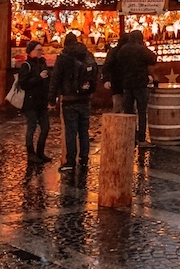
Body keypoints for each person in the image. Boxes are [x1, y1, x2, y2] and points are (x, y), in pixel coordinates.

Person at [49, 32, 98, 172]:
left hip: (70, 99)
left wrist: (52, 100)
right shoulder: (88, 54)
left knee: (71, 131)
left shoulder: (63, 57)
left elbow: (56, 79)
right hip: (86, 98)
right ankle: (84, 159)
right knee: (84, 130)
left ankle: (70, 161)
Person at [103, 30, 157, 147]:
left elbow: (119, 65)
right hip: (140, 84)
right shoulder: (141, 49)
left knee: (128, 112)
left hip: (126, 84)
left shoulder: (122, 50)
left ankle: (129, 136)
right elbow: (153, 59)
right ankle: (141, 139)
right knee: (142, 111)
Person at [17, 41, 53, 164]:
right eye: (38, 50)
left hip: (42, 101)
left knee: (45, 127)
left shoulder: (42, 63)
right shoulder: (26, 65)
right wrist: (39, 78)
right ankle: (30, 153)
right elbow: (23, 84)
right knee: (31, 127)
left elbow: (48, 80)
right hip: (31, 102)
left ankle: (40, 151)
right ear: (31, 51)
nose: (40, 52)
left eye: (41, 50)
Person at [102, 34, 125, 112]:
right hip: (130, 84)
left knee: (117, 107)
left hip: (116, 83)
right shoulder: (132, 52)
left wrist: (106, 79)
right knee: (130, 109)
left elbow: (107, 66)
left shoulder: (113, 51)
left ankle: (118, 123)